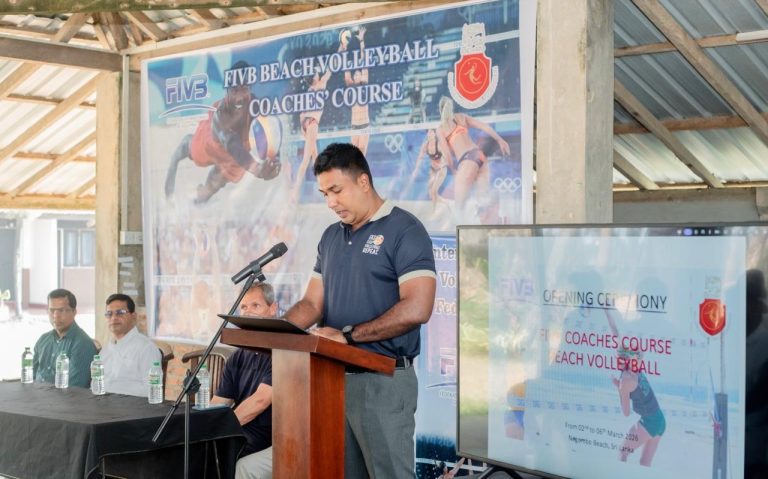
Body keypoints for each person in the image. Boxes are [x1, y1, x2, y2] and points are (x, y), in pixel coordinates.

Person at [284, 143, 437, 478]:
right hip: (332, 380)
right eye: (324, 194)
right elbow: (311, 304)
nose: (330, 202)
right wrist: (276, 330)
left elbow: (418, 307)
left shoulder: (405, 230)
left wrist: (348, 337)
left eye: (336, 190)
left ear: (364, 181)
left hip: (382, 380)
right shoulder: (330, 237)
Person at [165, 60, 281, 204]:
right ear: (228, 90)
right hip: (212, 146)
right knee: (185, 146)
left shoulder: (255, 104)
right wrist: (257, 169)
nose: (239, 96)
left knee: (207, 192)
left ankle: (199, 199)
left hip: (237, 157)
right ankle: (169, 191)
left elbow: (272, 132)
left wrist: (274, 161)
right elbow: (231, 143)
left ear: (250, 88)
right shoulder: (221, 114)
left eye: (244, 89)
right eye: (235, 90)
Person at [212, 282, 279, 479]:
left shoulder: (283, 353)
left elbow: (260, 401)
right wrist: (204, 425)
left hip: (269, 436)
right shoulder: (238, 356)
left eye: (255, 306)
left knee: (220, 457)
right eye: (243, 307)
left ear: (273, 309)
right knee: (197, 450)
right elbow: (220, 401)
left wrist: (222, 429)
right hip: (241, 430)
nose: (248, 312)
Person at [604, 308, 665, 467]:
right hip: (660, 419)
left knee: (622, 452)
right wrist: (607, 312)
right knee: (644, 464)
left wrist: (620, 389)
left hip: (650, 422)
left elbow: (626, 413)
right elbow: (615, 332)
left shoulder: (626, 379)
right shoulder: (635, 367)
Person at [435, 96, 510, 219]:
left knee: (459, 208)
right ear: (451, 108)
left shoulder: (441, 129)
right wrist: (500, 140)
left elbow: (447, 154)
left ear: (440, 110)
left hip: (467, 160)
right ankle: (494, 222)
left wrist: (453, 170)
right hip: (479, 156)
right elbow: (484, 126)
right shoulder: (461, 117)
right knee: (482, 202)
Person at [99, 293, 162, 397]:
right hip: (102, 404)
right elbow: (95, 384)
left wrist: (112, 390)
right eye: (109, 314)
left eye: (120, 313)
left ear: (133, 316)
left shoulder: (146, 348)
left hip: (131, 406)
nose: (113, 318)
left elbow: (152, 390)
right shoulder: (105, 350)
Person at [33, 288, 97, 388]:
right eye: (52, 310)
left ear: (74, 312)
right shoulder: (43, 340)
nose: (56, 316)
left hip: (63, 397)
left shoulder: (82, 344)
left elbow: (73, 389)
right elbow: (30, 376)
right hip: (35, 394)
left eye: (61, 310)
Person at [341, 27, 371, 156]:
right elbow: (346, 68)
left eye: (359, 73)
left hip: (364, 124)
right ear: (353, 78)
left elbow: (364, 62)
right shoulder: (351, 85)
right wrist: (345, 49)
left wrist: (362, 41)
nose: (358, 74)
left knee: (362, 153)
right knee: (353, 154)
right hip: (354, 125)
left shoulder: (364, 83)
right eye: (356, 74)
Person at [411, 129, 451, 214]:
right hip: (433, 170)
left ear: (434, 135)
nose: (429, 135)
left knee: (433, 191)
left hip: (441, 170)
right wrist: (415, 170)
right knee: (431, 193)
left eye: (431, 133)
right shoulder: (426, 145)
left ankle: (434, 211)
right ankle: (446, 202)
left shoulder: (439, 145)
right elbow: (420, 158)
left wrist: (442, 165)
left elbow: (447, 158)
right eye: (428, 133)